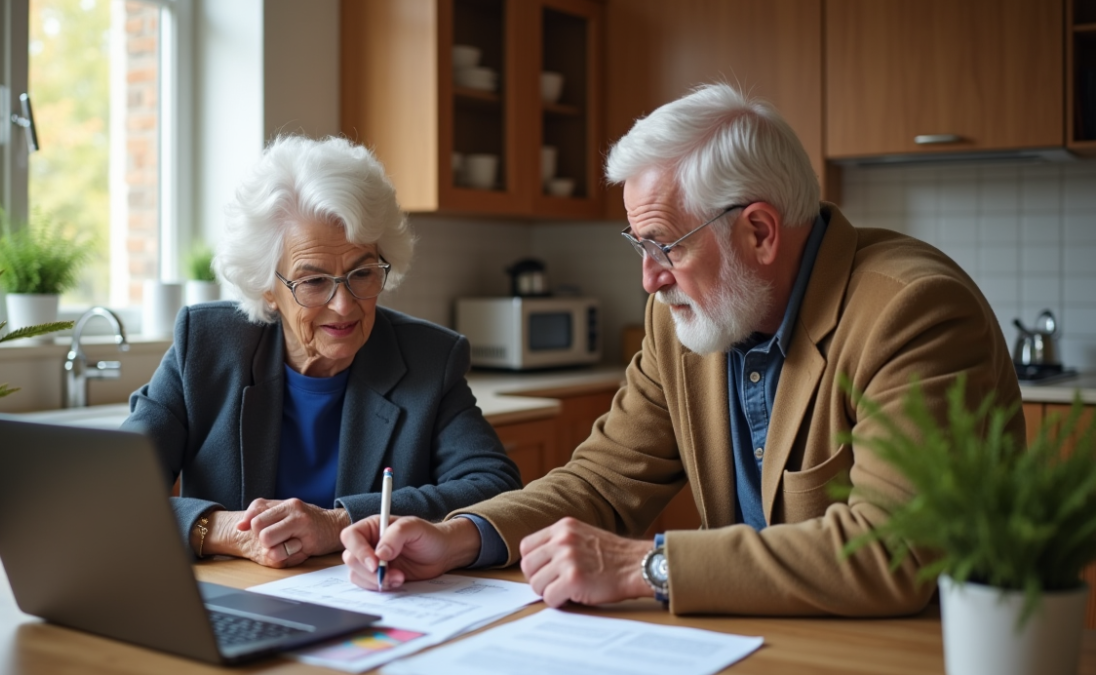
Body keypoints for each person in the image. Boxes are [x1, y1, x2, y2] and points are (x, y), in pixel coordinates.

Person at [339, 83, 1024, 616]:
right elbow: (602, 482)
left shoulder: (911, 310)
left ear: (759, 232)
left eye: (665, 245)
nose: (649, 278)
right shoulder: (684, 322)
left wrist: (645, 566)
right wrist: (461, 537)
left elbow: (894, 550)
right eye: (640, 246)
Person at [122, 135, 521, 569]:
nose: (344, 305)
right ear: (267, 288)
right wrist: (219, 530)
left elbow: (494, 486)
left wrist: (339, 523)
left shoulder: (429, 358)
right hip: (235, 600)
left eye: (362, 273)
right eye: (313, 282)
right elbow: (111, 487)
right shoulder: (206, 345)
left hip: (369, 600)